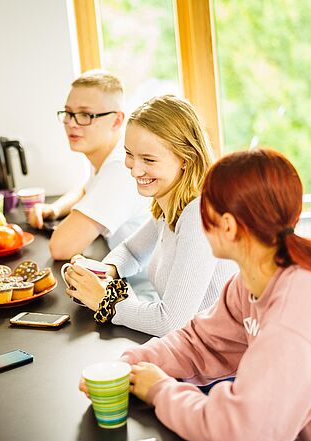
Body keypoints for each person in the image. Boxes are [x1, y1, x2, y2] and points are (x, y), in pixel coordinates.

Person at [83, 149, 311, 441]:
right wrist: (130, 365)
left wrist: (161, 390)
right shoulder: (254, 280)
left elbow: (243, 434)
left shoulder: (299, 310)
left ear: (228, 226)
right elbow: (199, 341)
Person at [64, 95, 237, 336]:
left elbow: (171, 323)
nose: (135, 169)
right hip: (195, 349)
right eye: (129, 154)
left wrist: (107, 301)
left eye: (148, 159)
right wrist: (104, 271)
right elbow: (132, 252)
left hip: (217, 364)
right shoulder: (170, 203)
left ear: (186, 159)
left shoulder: (199, 216)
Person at [28, 70, 150, 260]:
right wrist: (55, 209)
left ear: (116, 120)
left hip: (139, 287)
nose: (71, 123)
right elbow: (87, 189)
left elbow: (61, 247)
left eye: (85, 114)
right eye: (68, 113)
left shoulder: (123, 168)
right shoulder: (109, 156)